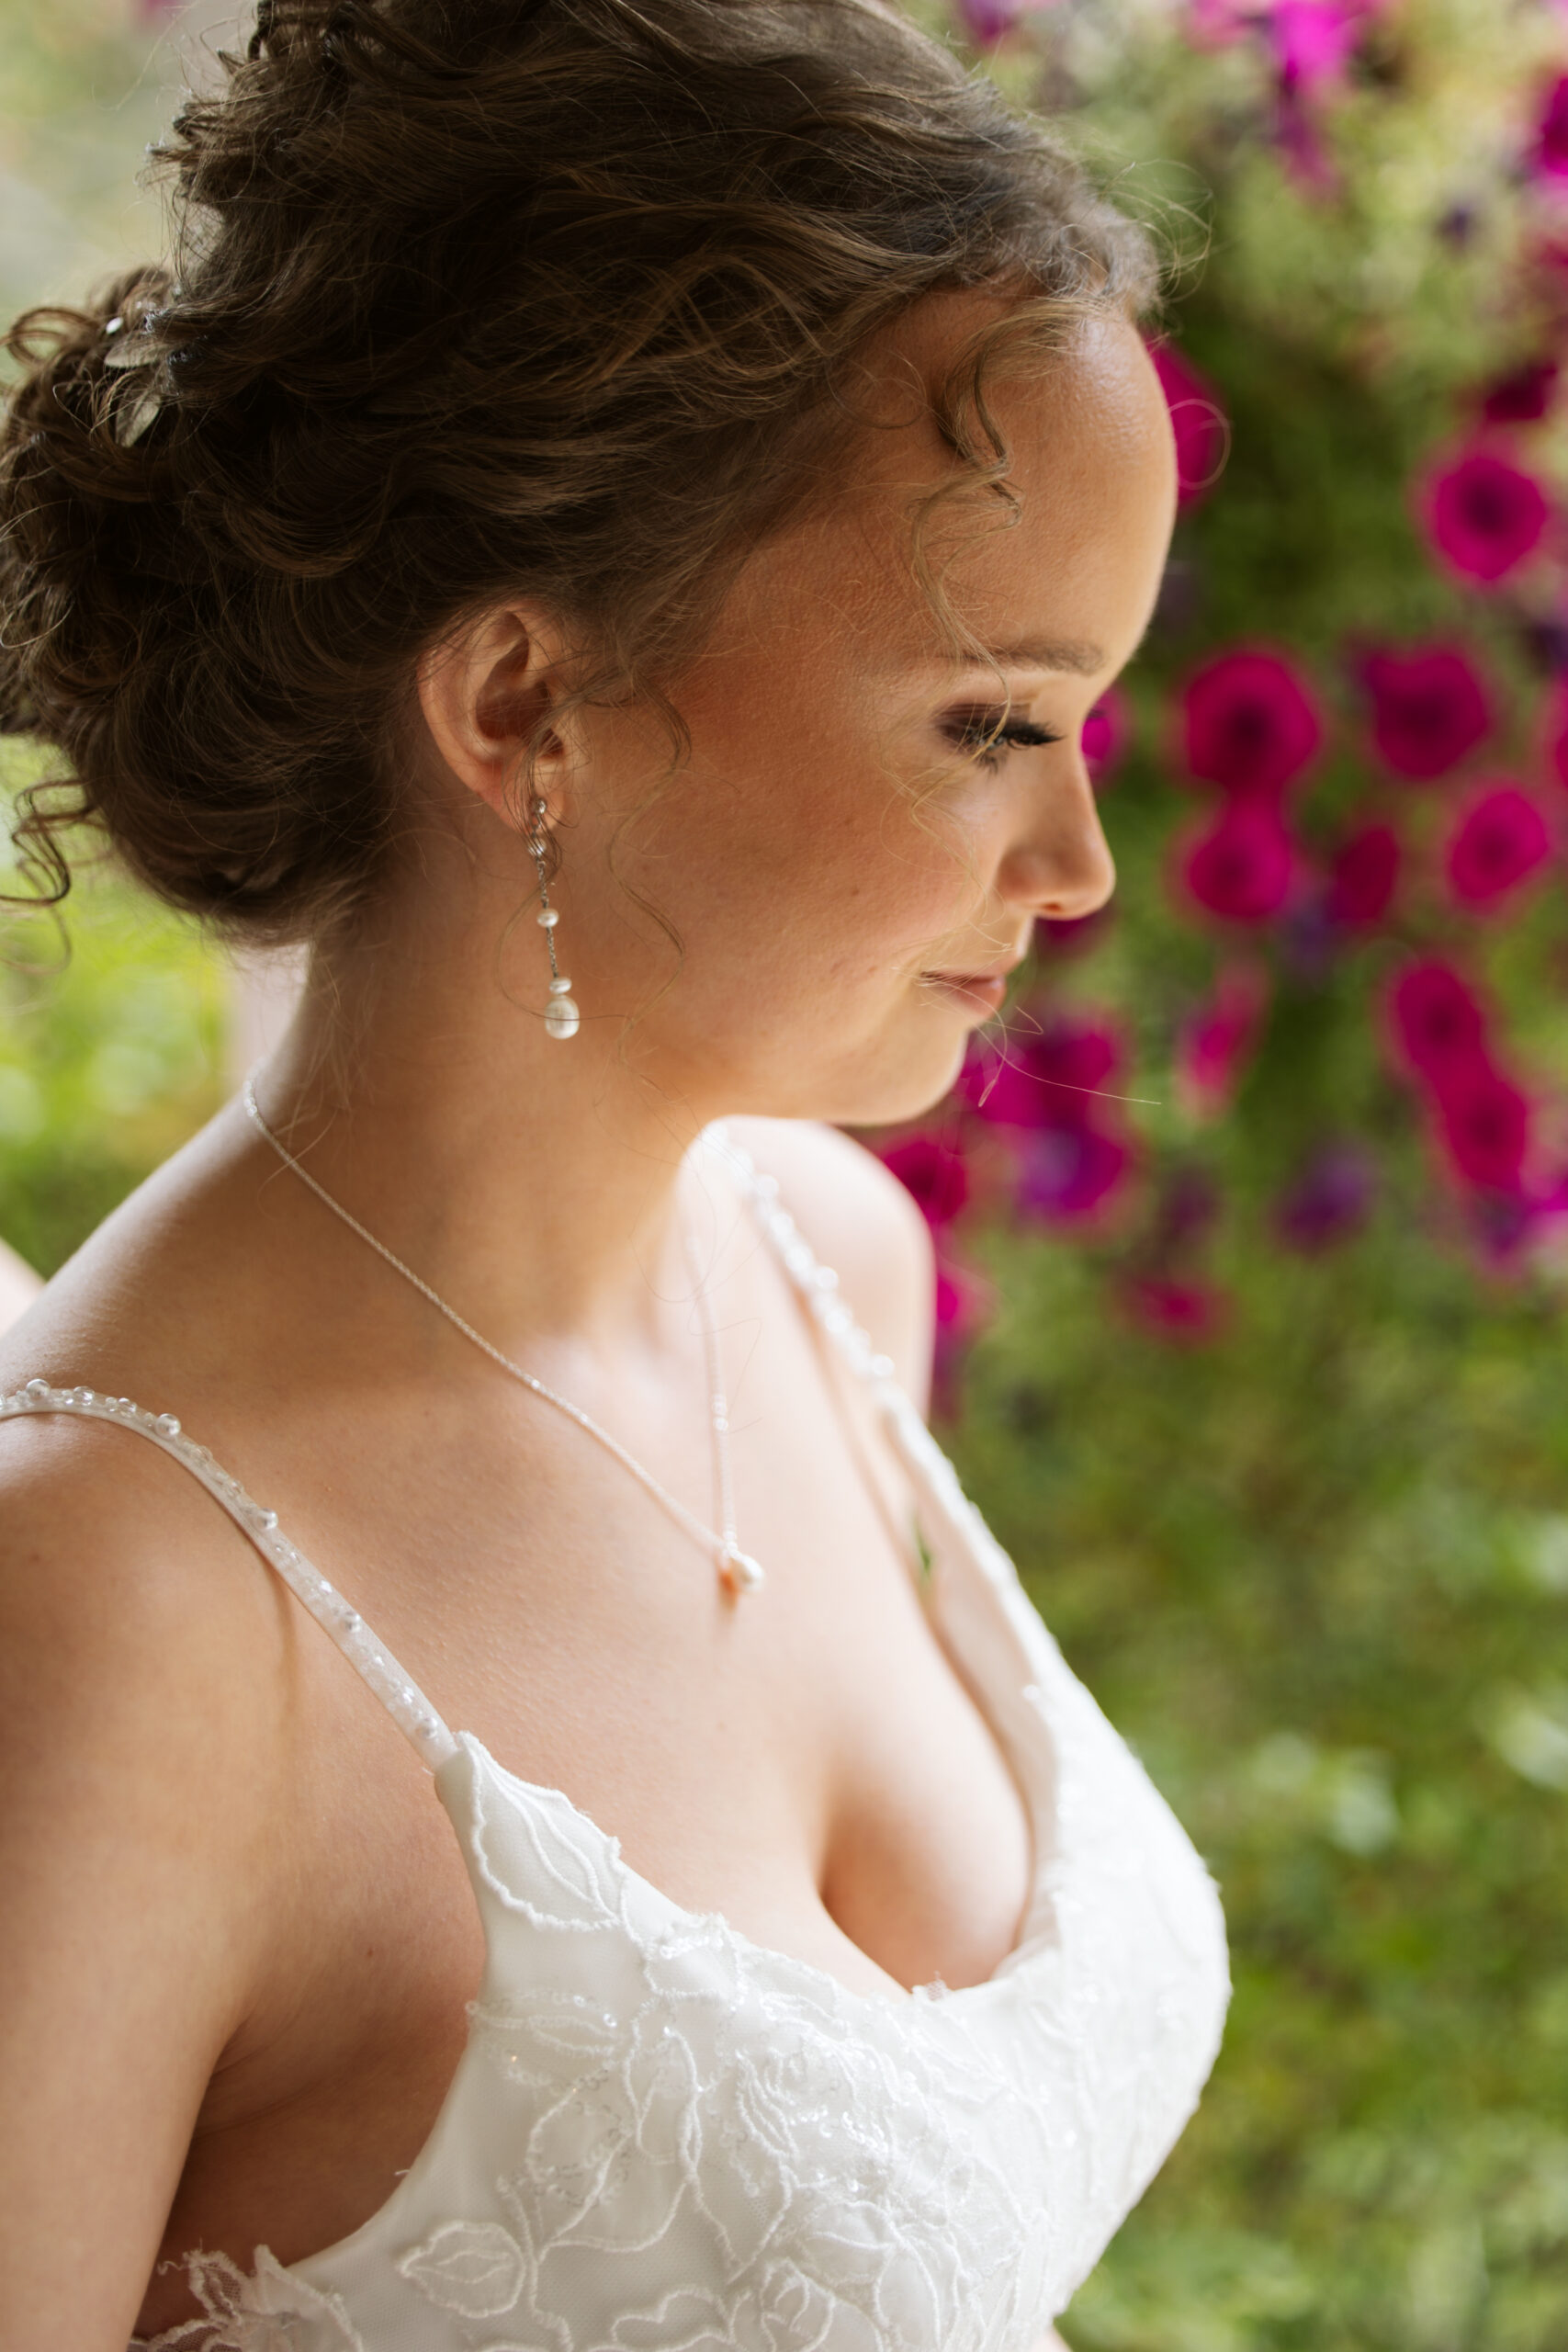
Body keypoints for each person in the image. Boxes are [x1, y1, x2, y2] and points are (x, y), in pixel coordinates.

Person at [0, 2, 1229, 2346]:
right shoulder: (111, 1611)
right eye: (989, 723)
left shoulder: (818, 1270)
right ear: (516, 709)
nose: (1075, 861)